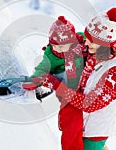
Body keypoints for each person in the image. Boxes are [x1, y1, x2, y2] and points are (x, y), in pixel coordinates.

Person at [34, 8, 116, 150]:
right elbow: (75, 41)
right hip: (82, 122)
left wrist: (56, 85)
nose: (86, 44)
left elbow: (89, 104)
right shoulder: (97, 50)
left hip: (94, 131)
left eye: (91, 41)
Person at [30, 16, 87, 150]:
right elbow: (41, 69)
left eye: (62, 46)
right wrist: (33, 82)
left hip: (84, 82)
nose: (58, 49)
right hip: (66, 87)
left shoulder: (81, 40)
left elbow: (100, 40)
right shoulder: (51, 56)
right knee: (72, 124)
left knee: (89, 130)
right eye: (54, 45)